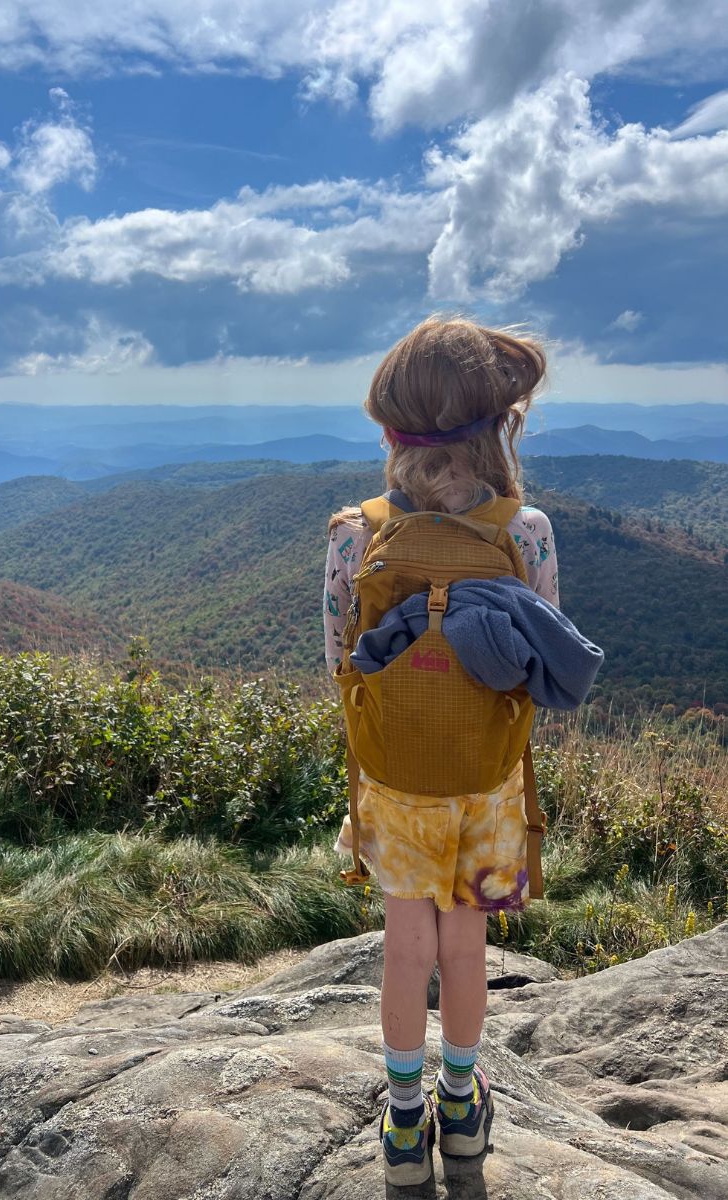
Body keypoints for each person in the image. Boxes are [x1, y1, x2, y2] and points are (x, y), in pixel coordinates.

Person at [323, 316, 559, 1185]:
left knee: (404, 949)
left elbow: (337, 666)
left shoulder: (356, 533)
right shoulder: (524, 530)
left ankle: (401, 1119)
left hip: (394, 782)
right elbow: (543, 663)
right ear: (498, 425)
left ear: (390, 432)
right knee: (466, 949)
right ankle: (462, 1109)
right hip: (488, 783)